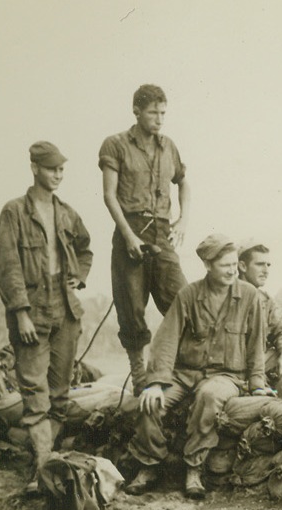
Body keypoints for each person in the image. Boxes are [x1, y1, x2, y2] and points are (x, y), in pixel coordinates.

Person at [125, 235, 268, 500]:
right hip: (184, 373)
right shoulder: (189, 295)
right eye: (225, 265)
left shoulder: (249, 296)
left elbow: (256, 343)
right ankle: (149, 465)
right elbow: (166, 339)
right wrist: (155, 382)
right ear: (207, 264)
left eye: (235, 264)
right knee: (150, 403)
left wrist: (257, 385)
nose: (232, 270)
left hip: (226, 376)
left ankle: (194, 468)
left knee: (209, 396)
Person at [0, 141, 93, 493]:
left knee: (60, 397)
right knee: (36, 397)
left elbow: (85, 247)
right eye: (52, 168)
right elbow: (7, 267)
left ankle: (45, 466)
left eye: (61, 169)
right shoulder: (15, 212)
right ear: (35, 168)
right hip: (32, 308)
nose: (58, 175)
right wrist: (20, 312)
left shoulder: (66, 212)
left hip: (65, 309)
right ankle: (42, 471)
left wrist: (79, 276)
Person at [99, 83, 190, 393]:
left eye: (163, 112)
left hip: (162, 230)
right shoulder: (116, 145)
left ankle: (180, 367)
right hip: (131, 227)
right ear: (137, 111)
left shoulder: (169, 147)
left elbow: (184, 182)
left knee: (181, 298)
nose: (159, 119)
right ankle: (139, 375)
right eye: (153, 112)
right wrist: (128, 236)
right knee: (132, 304)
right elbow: (109, 196)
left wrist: (183, 220)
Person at [237, 240, 282, 387]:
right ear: (242, 266)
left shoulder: (266, 301)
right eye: (260, 264)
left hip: (257, 364)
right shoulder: (226, 296)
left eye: (268, 265)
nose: (266, 270)